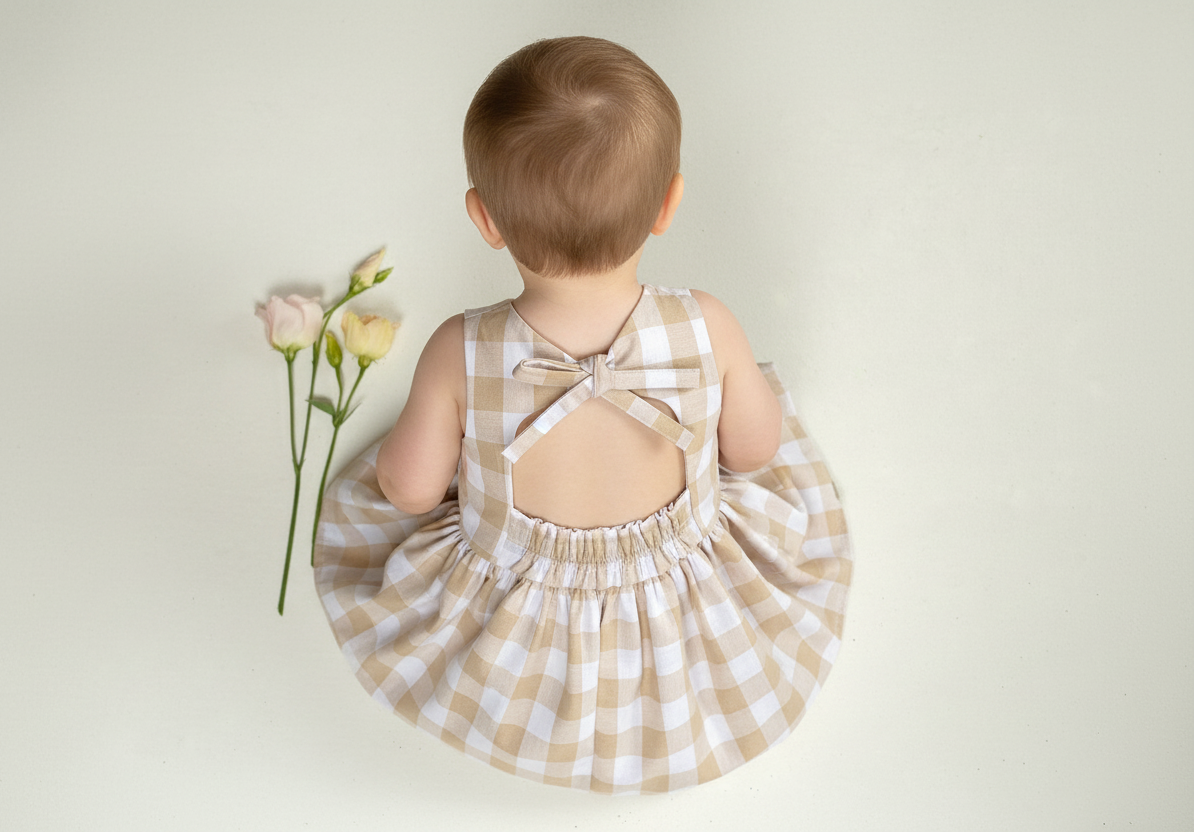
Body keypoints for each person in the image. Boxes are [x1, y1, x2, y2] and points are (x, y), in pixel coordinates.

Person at [313, 36, 852, 795]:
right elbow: (756, 450)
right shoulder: (706, 325)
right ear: (669, 205)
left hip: (518, 616)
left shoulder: (461, 349)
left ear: (485, 218)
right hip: (679, 602)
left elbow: (408, 490)